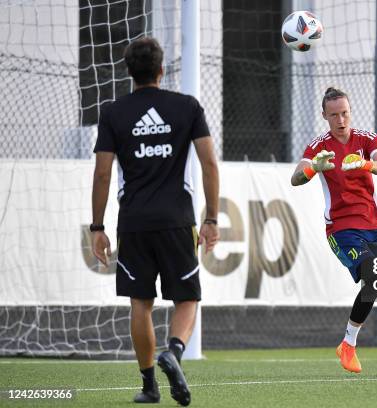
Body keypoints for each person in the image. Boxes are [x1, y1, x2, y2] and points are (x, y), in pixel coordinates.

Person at [90, 37, 219, 405]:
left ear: (129, 72)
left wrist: (97, 227)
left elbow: (102, 174)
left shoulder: (114, 112)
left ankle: (149, 386)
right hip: (177, 220)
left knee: (140, 303)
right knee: (188, 298)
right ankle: (174, 353)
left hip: (133, 223)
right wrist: (211, 217)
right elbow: (209, 162)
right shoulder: (186, 107)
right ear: (163, 70)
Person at [291, 87, 377, 379]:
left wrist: (366, 164)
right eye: (334, 114)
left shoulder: (366, 139)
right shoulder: (318, 147)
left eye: (345, 113)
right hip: (342, 228)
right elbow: (296, 178)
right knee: (374, 275)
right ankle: (348, 343)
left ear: (351, 111)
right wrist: (314, 169)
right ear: (324, 115)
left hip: (376, 225)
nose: (341, 119)